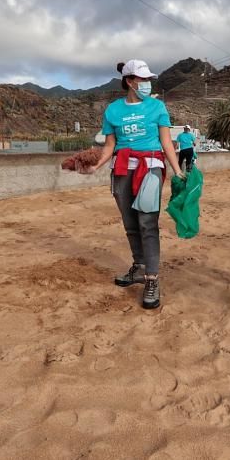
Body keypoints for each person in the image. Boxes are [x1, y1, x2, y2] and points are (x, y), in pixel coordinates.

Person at [84, 60, 185, 309]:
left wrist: (177, 170)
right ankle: (139, 267)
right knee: (130, 225)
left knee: (147, 224)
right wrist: (95, 166)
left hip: (149, 169)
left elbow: (166, 142)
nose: (148, 84)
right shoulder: (113, 110)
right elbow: (109, 145)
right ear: (130, 81)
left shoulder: (158, 107)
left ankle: (152, 279)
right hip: (121, 171)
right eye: (143, 80)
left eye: (149, 79)